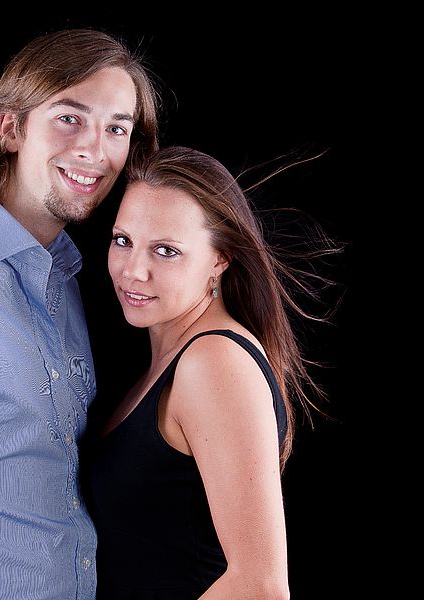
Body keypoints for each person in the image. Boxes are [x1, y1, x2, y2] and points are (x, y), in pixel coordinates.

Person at [0, 28, 159, 599]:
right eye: (70, 117)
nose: (96, 149)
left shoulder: (67, 281)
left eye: (116, 128)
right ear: (10, 127)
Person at [90, 146, 340, 598]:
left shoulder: (214, 363)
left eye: (166, 251)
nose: (133, 270)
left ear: (220, 258)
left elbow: (260, 586)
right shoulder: (173, 356)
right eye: (123, 240)